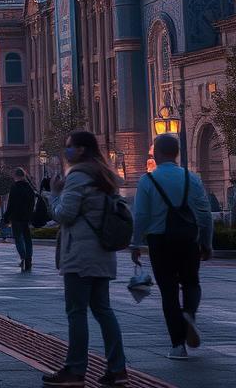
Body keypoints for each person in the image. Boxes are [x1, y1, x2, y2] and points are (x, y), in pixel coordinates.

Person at [43, 130, 127, 387]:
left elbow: (65, 214)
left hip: (80, 253)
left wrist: (55, 193)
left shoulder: (78, 175)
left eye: (69, 147)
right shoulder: (105, 176)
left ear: (81, 150)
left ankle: (75, 370)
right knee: (103, 310)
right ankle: (117, 369)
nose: (66, 151)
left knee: (76, 312)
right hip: (102, 253)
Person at [131, 133, 213, 360]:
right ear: (177, 154)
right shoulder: (191, 178)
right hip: (188, 239)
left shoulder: (147, 180)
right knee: (191, 282)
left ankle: (178, 346)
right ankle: (190, 314)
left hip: (160, 241)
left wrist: (135, 243)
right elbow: (204, 214)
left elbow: (141, 216)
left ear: (156, 154)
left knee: (168, 292)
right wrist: (206, 242)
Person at [5, 168, 37, 272]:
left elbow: (11, 204)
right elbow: (32, 204)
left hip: (16, 217)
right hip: (26, 218)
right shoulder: (29, 187)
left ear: (15, 175)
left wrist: (6, 217)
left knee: (18, 238)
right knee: (28, 239)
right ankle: (29, 260)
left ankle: (23, 258)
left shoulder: (15, 187)